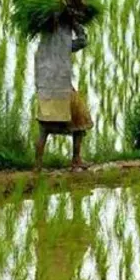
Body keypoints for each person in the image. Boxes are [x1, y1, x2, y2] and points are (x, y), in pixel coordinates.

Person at [34, 21, 94, 171]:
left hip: (46, 90)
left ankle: (38, 166)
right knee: (80, 121)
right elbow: (82, 41)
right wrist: (74, 23)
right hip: (62, 89)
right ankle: (76, 159)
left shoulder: (42, 47)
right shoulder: (62, 46)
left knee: (44, 128)